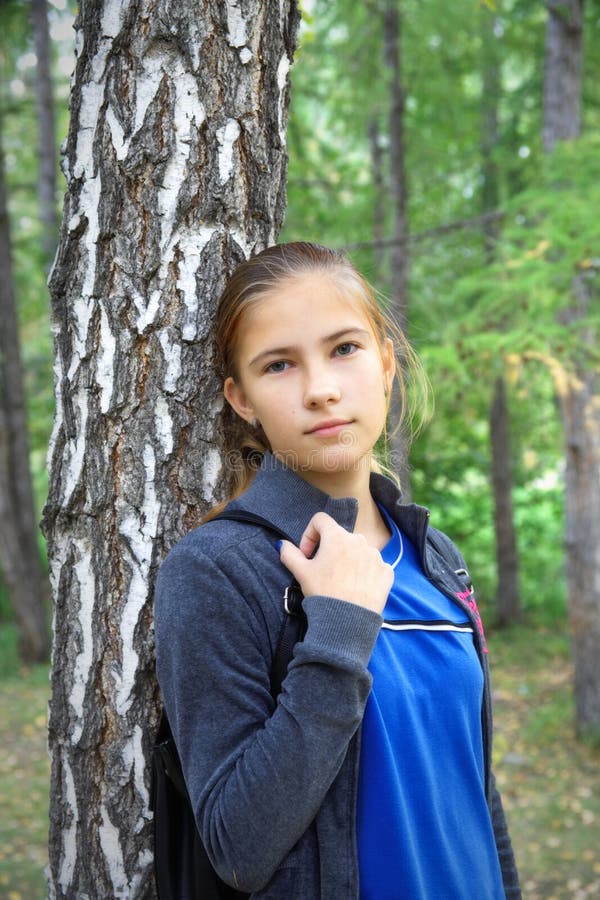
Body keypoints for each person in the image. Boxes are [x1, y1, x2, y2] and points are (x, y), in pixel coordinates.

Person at [154, 242, 521, 899]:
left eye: (344, 349)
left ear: (386, 361)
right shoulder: (218, 572)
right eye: (279, 365)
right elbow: (239, 848)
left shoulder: (437, 558)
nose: (321, 389)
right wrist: (338, 636)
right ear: (242, 399)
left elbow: (473, 787)